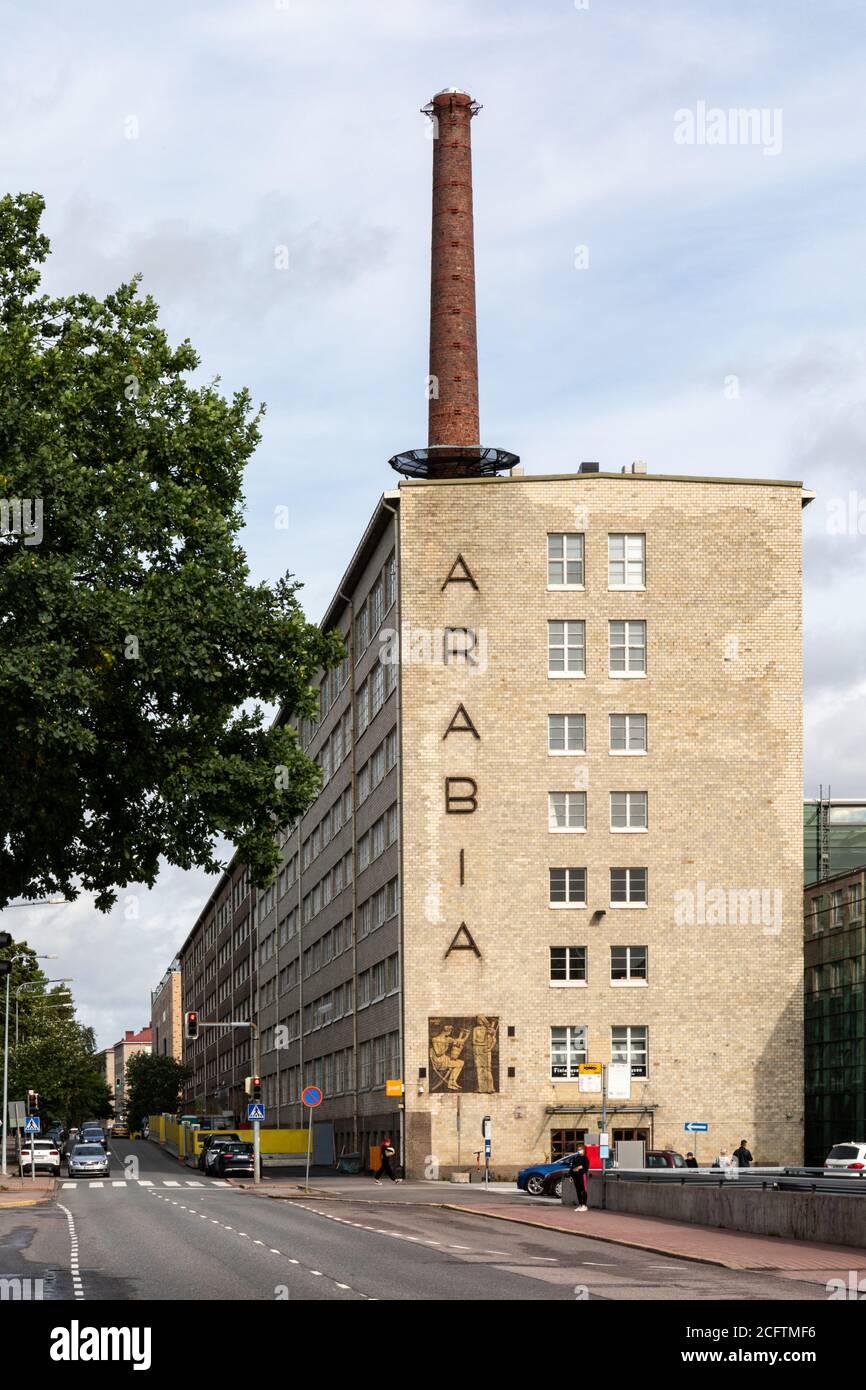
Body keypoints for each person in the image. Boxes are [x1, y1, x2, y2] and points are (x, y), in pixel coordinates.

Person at [567, 1143, 591, 1212]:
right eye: (578, 1150)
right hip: (576, 1176)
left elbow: (585, 1168)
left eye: (580, 1149)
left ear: (583, 1150)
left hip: (582, 1176)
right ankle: (580, 1204)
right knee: (578, 1191)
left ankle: (584, 1205)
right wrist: (570, 1175)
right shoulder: (576, 1158)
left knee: (583, 1190)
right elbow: (572, 1167)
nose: (579, 1151)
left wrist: (578, 1168)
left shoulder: (585, 1158)